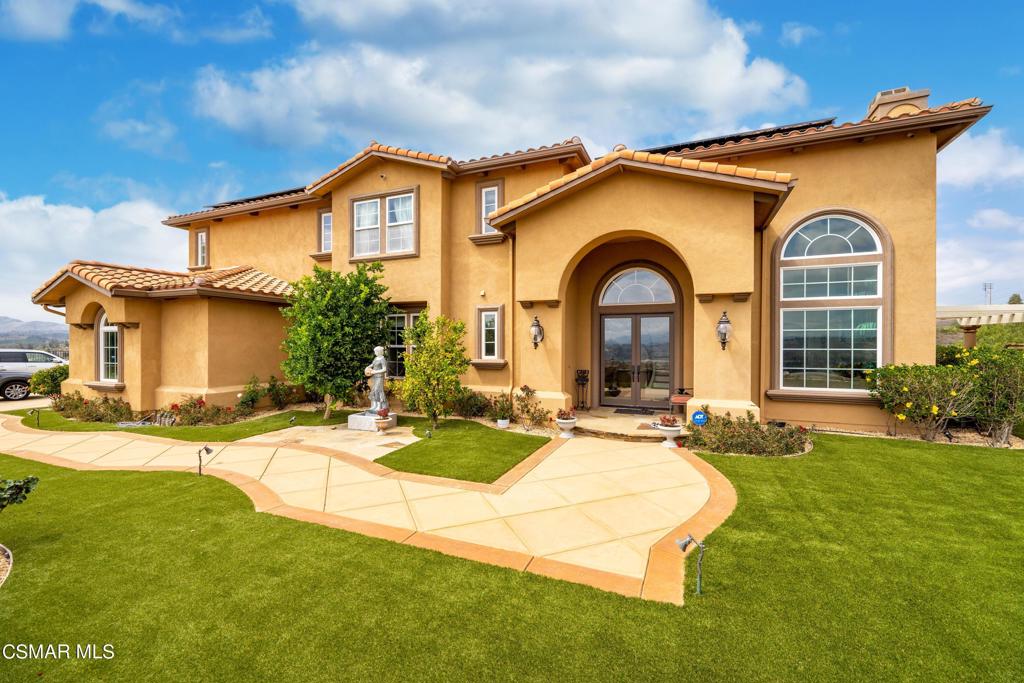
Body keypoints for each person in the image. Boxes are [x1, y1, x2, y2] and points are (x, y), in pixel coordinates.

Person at [364, 345, 388, 414]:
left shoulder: (382, 359)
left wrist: (375, 371)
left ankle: (379, 406)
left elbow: (384, 369)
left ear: (379, 352)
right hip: (374, 377)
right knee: (374, 390)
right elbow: (372, 364)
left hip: (379, 377)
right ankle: (374, 405)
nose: (375, 353)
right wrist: (368, 367)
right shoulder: (376, 358)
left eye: (375, 352)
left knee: (378, 390)